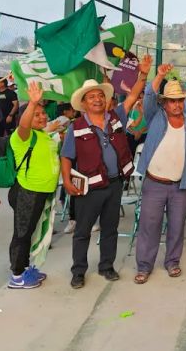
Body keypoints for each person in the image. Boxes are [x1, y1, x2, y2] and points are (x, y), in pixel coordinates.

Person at [60, 55, 151, 289]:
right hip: (89, 187)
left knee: (110, 228)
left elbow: (132, 97)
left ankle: (106, 266)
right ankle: (78, 271)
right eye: (92, 97)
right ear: (84, 104)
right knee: (82, 231)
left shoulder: (116, 116)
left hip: (114, 184)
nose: (98, 99)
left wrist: (143, 74)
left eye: (101, 95)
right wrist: (67, 180)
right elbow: (66, 155)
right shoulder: (76, 127)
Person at [133, 65, 186, 284]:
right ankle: (144, 266)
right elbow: (149, 96)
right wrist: (159, 75)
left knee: (176, 226)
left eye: (179, 100)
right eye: (172, 100)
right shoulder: (156, 117)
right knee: (149, 226)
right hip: (154, 183)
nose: (176, 104)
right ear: (164, 103)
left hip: (179, 186)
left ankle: (173, 261)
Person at [7, 82, 60, 289]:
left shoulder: (43, 135)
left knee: (34, 233)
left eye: (43, 113)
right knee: (22, 233)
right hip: (28, 192)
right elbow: (24, 125)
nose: (43, 116)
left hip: (44, 192)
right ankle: (17, 276)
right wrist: (32, 103)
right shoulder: (22, 136)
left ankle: (26, 267)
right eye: (37, 115)